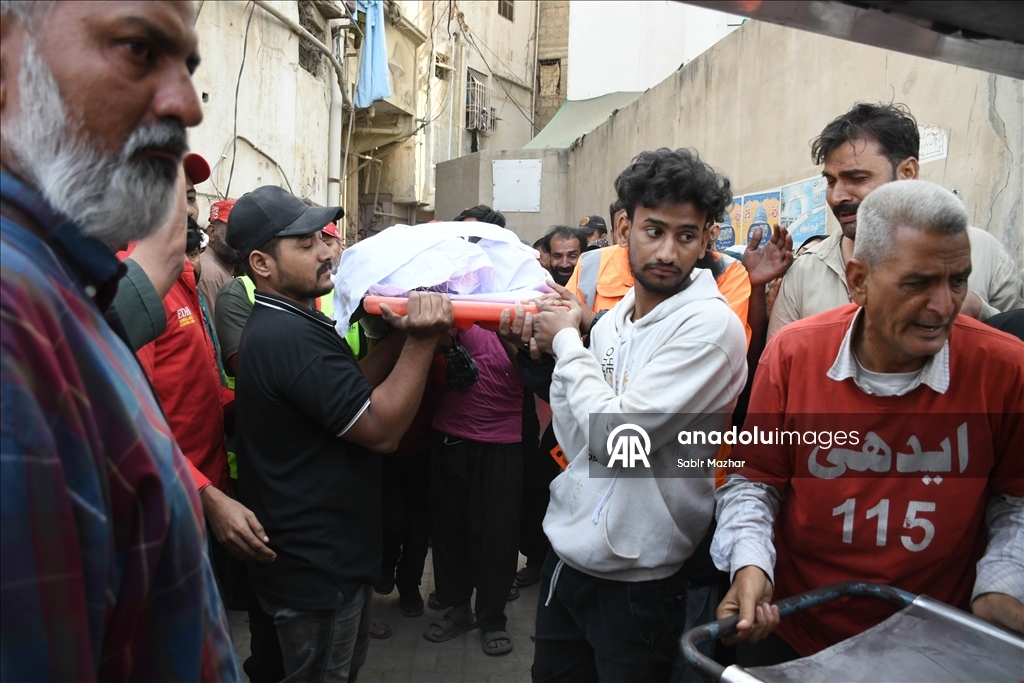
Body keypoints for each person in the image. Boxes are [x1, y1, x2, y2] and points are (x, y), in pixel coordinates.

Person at [0, 1, 239, 680]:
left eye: (188, 65)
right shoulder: (14, 318)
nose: (188, 105)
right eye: (138, 49)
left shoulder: (62, 289)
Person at [712, 180, 1024, 667]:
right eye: (918, 283)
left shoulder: (1004, 368)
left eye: (958, 280)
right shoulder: (793, 354)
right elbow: (755, 482)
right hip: (799, 630)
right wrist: (752, 567)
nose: (945, 306)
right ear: (858, 281)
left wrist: (1000, 590)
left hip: (940, 642)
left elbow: (1015, 502)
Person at [528, 148, 749, 682]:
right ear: (625, 226)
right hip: (568, 560)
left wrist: (564, 341)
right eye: (654, 230)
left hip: (640, 582)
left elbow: (619, 440)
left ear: (707, 239)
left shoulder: (710, 329)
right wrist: (576, 346)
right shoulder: (611, 323)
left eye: (687, 236)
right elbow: (578, 438)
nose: (669, 252)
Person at [228, 185, 454, 682]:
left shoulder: (292, 320)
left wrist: (398, 336)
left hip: (315, 557)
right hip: (317, 568)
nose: (328, 251)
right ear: (262, 265)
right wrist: (421, 341)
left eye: (323, 239)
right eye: (305, 244)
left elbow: (351, 388)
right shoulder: (288, 337)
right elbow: (381, 430)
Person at [767, 102, 1023, 341]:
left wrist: (978, 312)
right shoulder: (804, 273)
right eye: (831, 182)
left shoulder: (984, 252)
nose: (837, 196)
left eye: (856, 178)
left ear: (907, 173)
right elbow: (780, 370)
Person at [199, 198, 239, 320]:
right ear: (212, 232)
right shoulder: (210, 275)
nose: (240, 238)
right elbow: (214, 334)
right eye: (233, 230)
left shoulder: (221, 269)